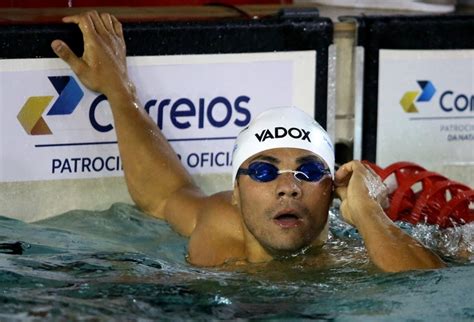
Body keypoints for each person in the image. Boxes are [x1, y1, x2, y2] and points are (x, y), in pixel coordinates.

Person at [51, 11, 445, 272]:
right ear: (236, 193)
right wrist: (119, 91)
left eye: (308, 171)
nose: (287, 187)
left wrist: (369, 215)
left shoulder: (355, 262)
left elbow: (424, 286)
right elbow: (164, 195)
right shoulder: (221, 224)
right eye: (262, 170)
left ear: (332, 192)